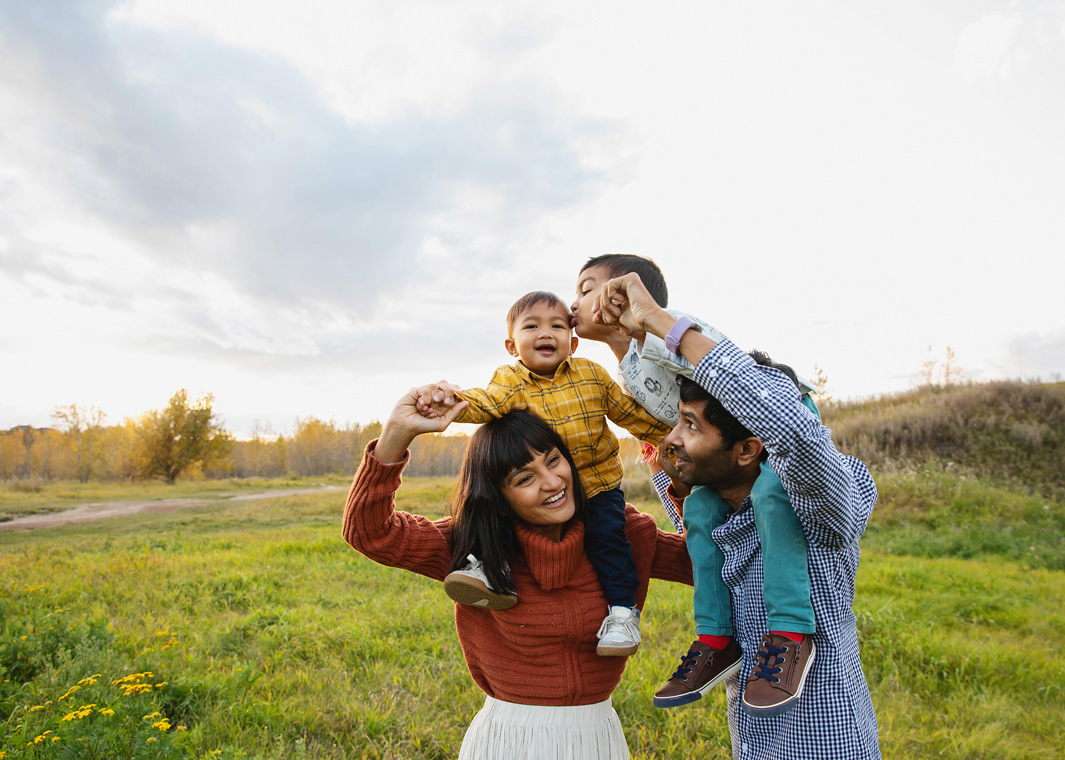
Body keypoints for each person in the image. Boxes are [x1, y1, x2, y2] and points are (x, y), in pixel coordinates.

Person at [591, 272, 882, 759]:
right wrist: (625, 339)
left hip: (828, 745)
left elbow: (793, 429)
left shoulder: (821, 506)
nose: (673, 439)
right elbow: (670, 433)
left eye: (689, 425)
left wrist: (663, 322)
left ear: (750, 448)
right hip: (753, 744)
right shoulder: (712, 502)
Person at [342, 389, 693, 759]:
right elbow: (370, 533)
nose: (553, 482)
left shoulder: (621, 535)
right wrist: (398, 433)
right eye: (525, 479)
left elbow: (700, 563)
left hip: (597, 737)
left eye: (554, 461)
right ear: (498, 496)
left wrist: (683, 486)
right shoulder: (472, 546)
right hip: (510, 739)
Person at [572, 254, 820, 713]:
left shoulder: (675, 330)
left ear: (623, 292)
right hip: (720, 450)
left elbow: (744, 376)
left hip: (780, 420)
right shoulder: (627, 368)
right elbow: (673, 424)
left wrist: (657, 321)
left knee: (771, 494)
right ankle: (716, 637)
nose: (575, 302)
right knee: (701, 514)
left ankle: (790, 630)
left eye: (586, 288)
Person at [421, 291, 669, 656]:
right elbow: (487, 402)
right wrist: (451, 402)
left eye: (557, 325)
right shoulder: (510, 380)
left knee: (609, 540)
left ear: (573, 341)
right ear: (511, 344)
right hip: (542, 488)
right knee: (504, 518)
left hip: (597, 484)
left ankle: (621, 614)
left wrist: (673, 437)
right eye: (532, 326)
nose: (546, 333)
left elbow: (629, 415)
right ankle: (489, 571)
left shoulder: (591, 374)